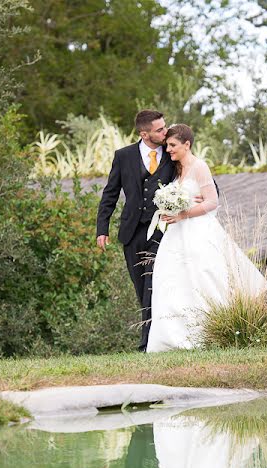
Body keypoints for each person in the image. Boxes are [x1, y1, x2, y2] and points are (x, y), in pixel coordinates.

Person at [146, 124, 267, 352]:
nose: (169, 150)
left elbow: (212, 202)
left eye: (172, 145)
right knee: (173, 278)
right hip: (176, 233)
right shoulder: (177, 169)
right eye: (167, 146)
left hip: (197, 230)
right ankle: (174, 336)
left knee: (204, 274)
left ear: (187, 144)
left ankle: (212, 329)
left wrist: (183, 214)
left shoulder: (199, 167)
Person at [95, 110, 176, 351]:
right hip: (132, 232)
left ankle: (146, 345)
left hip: (162, 230)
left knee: (154, 283)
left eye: (165, 127)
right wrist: (103, 228)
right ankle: (153, 337)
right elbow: (110, 193)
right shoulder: (124, 156)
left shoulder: (172, 152)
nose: (165, 131)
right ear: (144, 133)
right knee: (141, 288)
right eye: (159, 129)